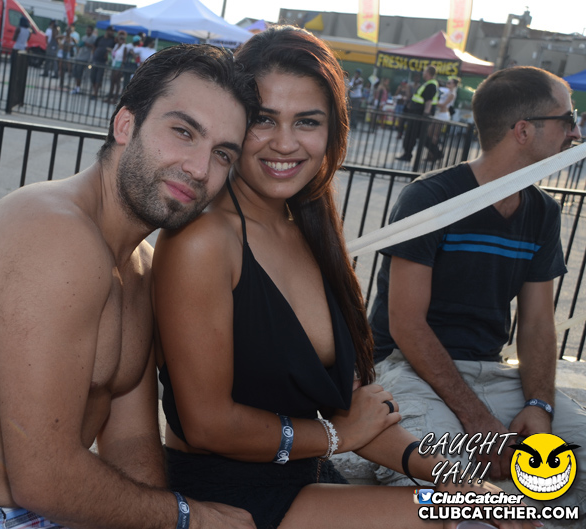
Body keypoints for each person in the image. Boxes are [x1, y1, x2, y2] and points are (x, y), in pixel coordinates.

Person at [153, 26, 529, 529]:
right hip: (227, 500)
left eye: (307, 121)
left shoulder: (306, 230)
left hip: (306, 479)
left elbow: (354, 413)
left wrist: (454, 477)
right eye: (264, 119)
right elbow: (207, 425)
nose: (285, 143)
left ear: (333, 131)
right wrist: (337, 437)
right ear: (236, 120)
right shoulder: (202, 240)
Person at [0, 43, 260, 529]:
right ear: (126, 125)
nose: (200, 168)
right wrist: (192, 518)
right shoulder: (53, 234)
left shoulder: (140, 267)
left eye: (222, 154)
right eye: (183, 132)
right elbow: (43, 477)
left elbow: (130, 444)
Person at [369, 66, 586, 515]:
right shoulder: (430, 198)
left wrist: (539, 404)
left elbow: (538, 323)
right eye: (568, 119)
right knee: (445, 480)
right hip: (407, 368)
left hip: (490, 373)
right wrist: (477, 419)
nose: (576, 133)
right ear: (523, 130)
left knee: (576, 464)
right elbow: (405, 326)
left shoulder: (542, 212)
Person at [396, 66, 438, 162]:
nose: (423, 73)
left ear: (428, 73)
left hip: (419, 115)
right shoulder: (428, 84)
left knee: (411, 135)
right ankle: (436, 153)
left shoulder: (431, 85)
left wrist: (425, 115)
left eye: (424, 71)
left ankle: (408, 155)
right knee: (420, 136)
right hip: (417, 114)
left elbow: (429, 101)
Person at [425, 76, 460, 161]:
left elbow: (443, 105)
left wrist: (432, 102)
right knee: (429, 133)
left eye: (449, 83)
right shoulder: (447, 92)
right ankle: (434, 153)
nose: (447, 84)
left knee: (435, 135)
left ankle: (433, 155)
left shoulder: (452, 94)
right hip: (439, 114)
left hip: (443, 115)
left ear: (454, 85)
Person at [106, 29, 132, 104]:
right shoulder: (116, 45)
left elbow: (124, 58)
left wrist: (120, 68)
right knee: (112, 81)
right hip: (114, 64)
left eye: (122, 39)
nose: (121, 40)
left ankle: (115, 99)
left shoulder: (124, 47)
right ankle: (109, 97)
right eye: (120, 38)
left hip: (119, 65)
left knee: (117, 82)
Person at [89, 25, 115, 100]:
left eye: (113, 31)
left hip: (103, 62)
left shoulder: (113, 40)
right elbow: (94, 47)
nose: (112, 32)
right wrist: (93, 55)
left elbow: (114, 49)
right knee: (92, 77)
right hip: (95, 60)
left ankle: (95, 94)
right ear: (107, 31)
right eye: (111, 31)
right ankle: (95, 90)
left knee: (98, 77)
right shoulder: (100, 38)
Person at [70, 25, 95, 94]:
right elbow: (79, 45)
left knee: (81, 73)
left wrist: (87, 44)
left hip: (86, 59)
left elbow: (94, 47)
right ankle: (76, 87)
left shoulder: (94, 38)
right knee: (76, 73)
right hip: (79, 57)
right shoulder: (84, 37)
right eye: (87, 30)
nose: (87, 31)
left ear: (92, 31)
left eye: (89, 30)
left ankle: (78, 88)